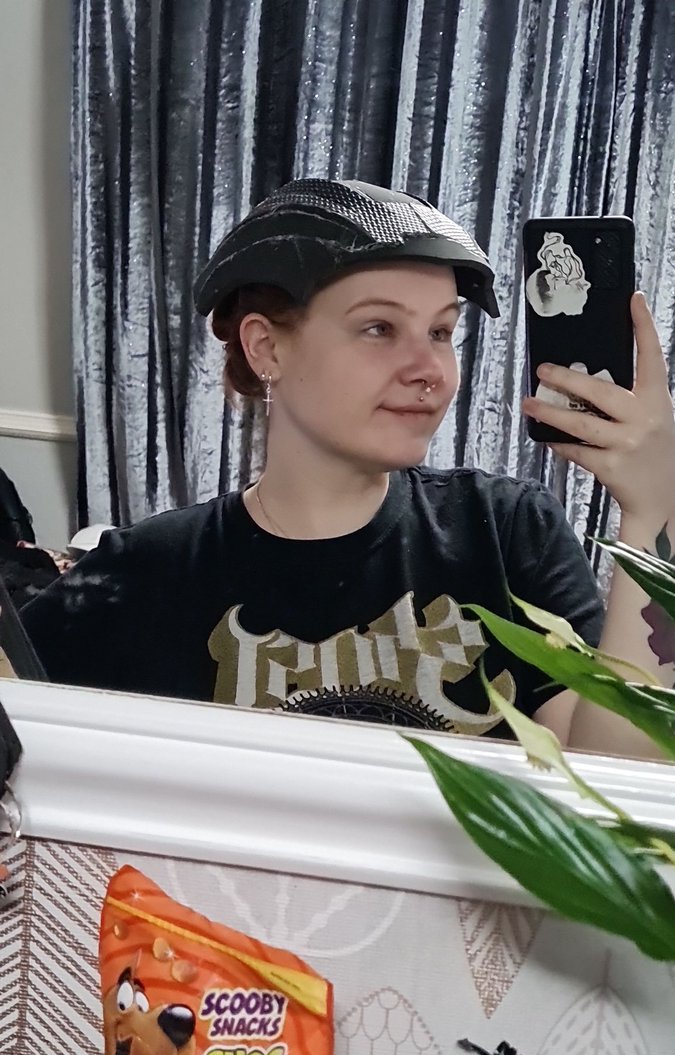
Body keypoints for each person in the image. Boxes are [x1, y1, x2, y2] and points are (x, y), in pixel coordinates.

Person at [21, 180, 675, 752]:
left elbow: (614, 775)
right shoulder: (149, 570)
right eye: (378, 329)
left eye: (441, 332)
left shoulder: (506, 531)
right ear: (266, 348)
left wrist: (654, 512)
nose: (428, 370)